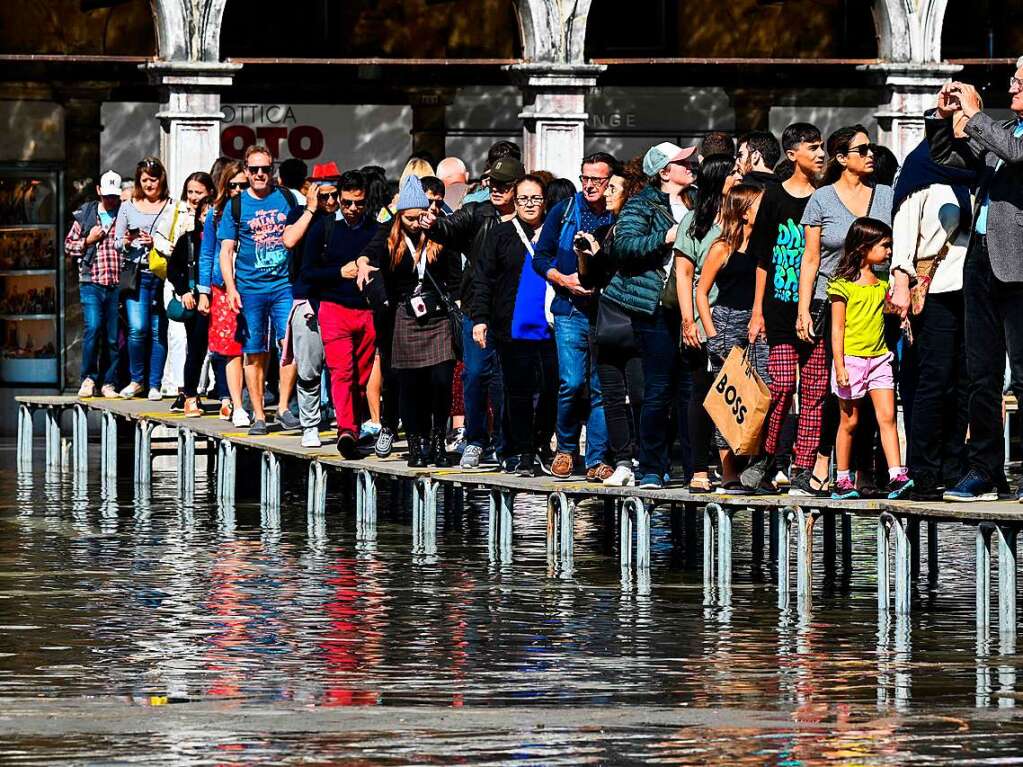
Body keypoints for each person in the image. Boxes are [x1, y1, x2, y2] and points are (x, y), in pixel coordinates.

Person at [924, 71, 1023, 502]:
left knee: (1022, 373)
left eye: (1020, 80)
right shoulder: (1003, 130)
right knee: (981, 374)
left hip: (1019, 265)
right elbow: (953, 159)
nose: (1012, 86)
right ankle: (985, 470)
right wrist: (944, 118)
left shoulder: (1008, 137)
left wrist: (976, 114)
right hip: (982, 260)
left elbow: (1015, 153)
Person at [796, 125, 894, 496]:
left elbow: (895, 251)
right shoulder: (822, 198)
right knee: (836, 387)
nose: (871, 155)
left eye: (872, 148)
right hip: (831, 300)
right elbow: (810, 258)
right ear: (841, 159)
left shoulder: (885, 195)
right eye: (862, 149)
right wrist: (804, 308)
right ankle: (825, 463)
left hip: (877, 303)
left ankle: (870, 470)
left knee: (878, 389)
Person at [419, 155, 524, 468]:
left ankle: (509, 445)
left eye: (504, 185)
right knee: (475, 374)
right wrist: (434, 225)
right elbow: (450, 228)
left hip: (517, 310)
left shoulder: (529, 218)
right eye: (493, 183)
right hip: (478, 306)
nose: (496, 189)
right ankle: (475, 440)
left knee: (510, 379)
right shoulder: (478, 212)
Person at [741, 123, 828, 494]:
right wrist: (757, 310)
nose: (821, 154)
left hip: (820, 306)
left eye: (823, 146)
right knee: (780, 385)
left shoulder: (826, 197)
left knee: (814, 388)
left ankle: (802, 468)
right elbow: (761, 258)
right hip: (779, 304)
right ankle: (766, 456)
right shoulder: (774, 197)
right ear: (792, 155)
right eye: (813, 147)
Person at [605, 141, 698, 489]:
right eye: (683, 162)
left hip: (691, 306)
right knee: (658, 386)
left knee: (690, 388)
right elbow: (623, 246)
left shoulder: (697, 201)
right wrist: (668, 236)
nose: (692, 165)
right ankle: (651, 468)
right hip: (654, 306)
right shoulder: (641, 204)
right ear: (664, 172)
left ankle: (694, 469)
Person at [888, 136, 974, 500]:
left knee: (965, 380)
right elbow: (905, 229)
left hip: (971, 287)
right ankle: (923, 468)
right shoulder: (921, 171)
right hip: (935, 288)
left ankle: (955, 466)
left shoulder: (976, 171)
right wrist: (901, 282)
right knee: (933, 378)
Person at [356, 176, 462, 467]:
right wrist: (364, 264)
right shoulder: (389, 234)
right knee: (410, 384)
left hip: (437, 313)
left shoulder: (440, 233)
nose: (416, 223)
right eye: (410, 218)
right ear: (400, 215)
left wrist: (458, 304)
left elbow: (455, 277)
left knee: (441, 380)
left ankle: (439, 440)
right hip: (404, 314)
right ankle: (416, 443)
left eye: (420, 217)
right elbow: (369, 253)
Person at [533, 153, 618, 480]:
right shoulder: (564, 210)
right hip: (569, 309)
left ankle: (596, 458)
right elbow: (540, 258)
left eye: (597, 180)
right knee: (571, 382)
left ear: (610, 182)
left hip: (605, 312)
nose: (589, 185)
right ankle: (566, 448)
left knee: (601, 386)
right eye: (585, 178)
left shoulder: (617, 214)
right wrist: (562, 279)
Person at [471, 174, 557, 477]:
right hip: (511, 325)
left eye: (535, 198)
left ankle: (541, 443)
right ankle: (521, 451)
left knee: (551, 388)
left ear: (545, 201)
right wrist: (480, 319)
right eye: (523, 199)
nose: (530, 204)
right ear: (514, 201)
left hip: (551, 325)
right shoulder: (501, 234)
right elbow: (483, 279)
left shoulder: (555, 231)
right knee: (516, 391)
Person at [827, 218, 913, 500]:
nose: (889, 252)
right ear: (864, 248)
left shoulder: (883, 285)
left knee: (887, 417)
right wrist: (839, 365)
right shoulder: (842, 286)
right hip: (851, 360)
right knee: (849, 422)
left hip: (879, 360)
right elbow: (837, 327)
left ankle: (896, 474)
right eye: (884, 246)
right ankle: (842, 478)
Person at [218, 144, 300, 436]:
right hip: (250, 287)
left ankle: (283, 406)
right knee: (254, 352)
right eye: (254, 170)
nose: (260, 174)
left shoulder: (288, 197)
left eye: (266, 169)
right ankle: (259, 415)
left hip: (283, 285)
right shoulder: (236, 205)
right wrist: (230, 288)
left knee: (290, 345)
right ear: (246, 171)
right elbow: (226, 251)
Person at [675, 154, 743, 492]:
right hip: (704, 319)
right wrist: (689, 321)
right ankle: (700, 468)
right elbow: (684, 274)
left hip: (738, 318)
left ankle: (730, 469)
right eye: (733, 172)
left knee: (734, 395)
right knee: (702, 394)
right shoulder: (694, 222)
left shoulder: (742, 218)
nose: (739, 175)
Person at [578, 158, 647, 487]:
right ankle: (621, 459)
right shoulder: (604, 230)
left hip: (635, 322)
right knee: (611, 394)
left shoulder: (640, 232)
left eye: (613, 188)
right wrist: (586, 255)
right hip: (605, 322)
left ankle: (643, 456)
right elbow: (589, 279)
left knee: (640, 392)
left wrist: (604, 254)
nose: (604, 193)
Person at [695, 183, 769, 491]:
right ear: (743, 211)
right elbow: (701, 291)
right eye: (758, 205)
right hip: (726, 322)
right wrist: (711, 336)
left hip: (757, 324)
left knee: (764, 392)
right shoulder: (721, 247)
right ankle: (728, 470)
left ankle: (756, 464)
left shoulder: (764, 246)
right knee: (730, 399)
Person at [301, 169, 379, 456]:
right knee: (341, 372)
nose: (353, 209)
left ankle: (354, 427)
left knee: (361, 376)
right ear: (338, 200)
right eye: (347, 203)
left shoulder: (375, 229)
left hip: (367, 311)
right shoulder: (324, 228)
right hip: (334, 308)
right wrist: (339, 272)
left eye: (358, 203)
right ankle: (346, 429)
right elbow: (307, 272)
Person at [282, 162, 344, 447]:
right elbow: (289, 240)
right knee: (308, 366)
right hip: (307, 299)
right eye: (325, 196)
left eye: (335, 195)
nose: (331, 202)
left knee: (343, 367)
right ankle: (310, 424)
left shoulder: (348, 217)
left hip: (341, 298)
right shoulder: (300, 214)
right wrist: (310, 208)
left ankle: (345, 423)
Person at [114, 156, 172, 400]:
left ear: (162, 180)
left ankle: (155, 384)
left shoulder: (171, 206)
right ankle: (137, 379)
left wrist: (155, 242)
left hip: (162, 275)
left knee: (159, 330)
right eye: (145, 180)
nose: (150, 185)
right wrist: (127, 242)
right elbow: (116, 243)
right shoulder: (127, 207)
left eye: (154, 179)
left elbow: (177, 241)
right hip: (136, 274)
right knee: (138, 329)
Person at [197, 160, 250, 428]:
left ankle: (250, 398)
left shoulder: (258, 210)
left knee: (255, 346)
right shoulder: (215, 215)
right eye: (233, 185)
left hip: (254, 283)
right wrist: (203, 291)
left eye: (244, 184)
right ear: (224, 187)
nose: (239, 190)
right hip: (221, 286)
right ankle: (233, 401)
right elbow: (206, 253)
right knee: (230, 347)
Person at [157, 171, 213, 411]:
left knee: (222, 350)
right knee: (195, 345)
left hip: (221, 299)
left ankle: (225, 396)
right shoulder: (189, 239)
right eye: (205, 214)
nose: (209, 218)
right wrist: (185, 292)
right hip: (195, 299)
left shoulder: (227, 240)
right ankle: (188, 393)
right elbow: (174, 269)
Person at [66, 170, 122, 398]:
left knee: (111, 335)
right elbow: (68, 246)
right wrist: (88, 241)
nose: (110, 200)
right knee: (93, 328)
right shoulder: (86, 215)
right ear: (98, 191)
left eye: (114, 196)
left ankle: (109, 381)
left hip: (114, 281)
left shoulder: (123, 215)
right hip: (91, 281)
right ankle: (88, 377)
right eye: (106, 195)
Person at [462, 140, 522, 205]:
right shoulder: (472, 201)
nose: (495, 189)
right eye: (493, 182)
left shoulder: (471, 200)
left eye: (505, 184)